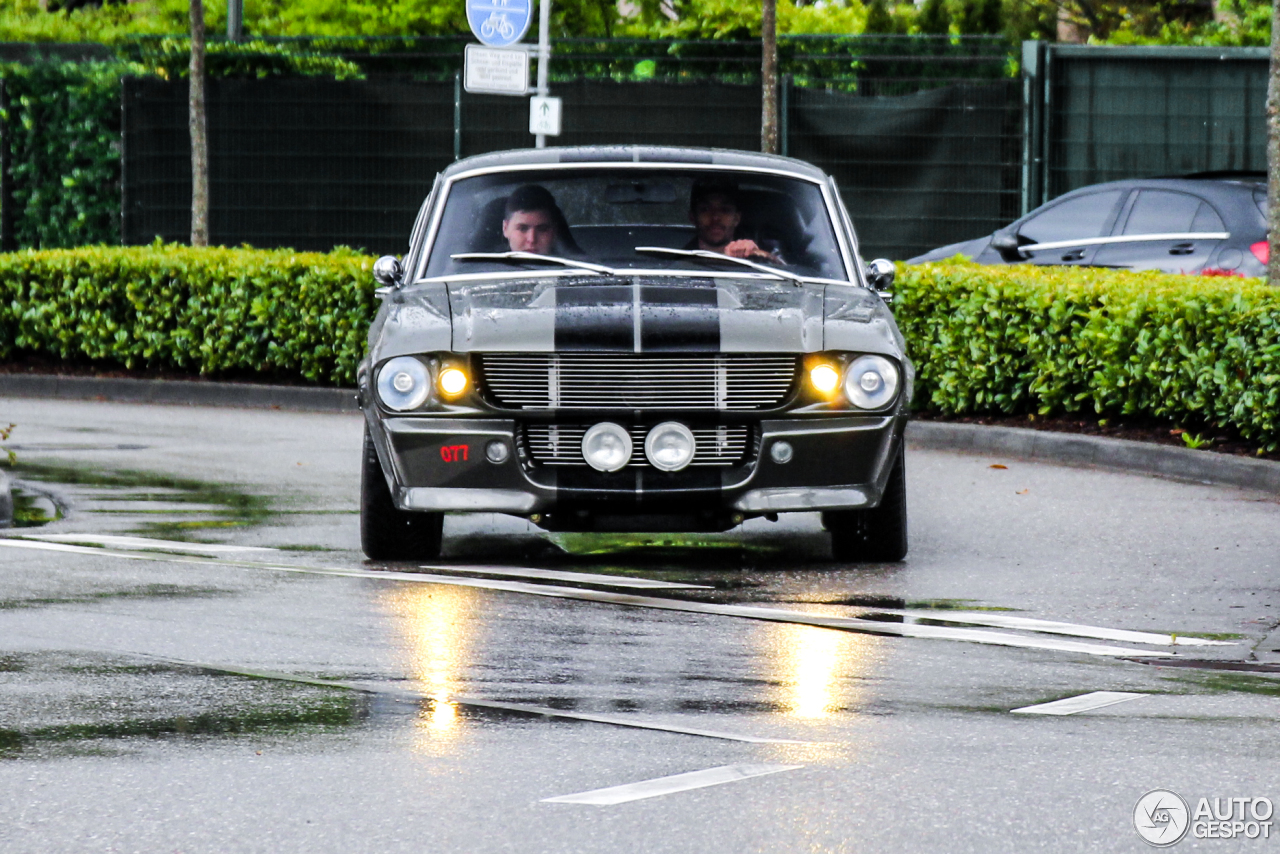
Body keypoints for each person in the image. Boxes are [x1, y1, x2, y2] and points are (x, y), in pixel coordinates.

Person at [687, 180, 782, 262]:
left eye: (725, 210)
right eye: (706, 209)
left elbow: (787, 272)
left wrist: (760, 255)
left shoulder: (759, 252)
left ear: (737, 218)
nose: (715, 217)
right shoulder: (677, 262)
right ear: (693, 217)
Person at [502, 184, 571, 255]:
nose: (532, 239)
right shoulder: (490, 262)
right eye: (523, 229)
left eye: (542, 229)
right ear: (505, 228)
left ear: (554, 231)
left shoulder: (576, 264)